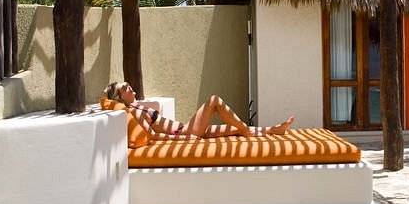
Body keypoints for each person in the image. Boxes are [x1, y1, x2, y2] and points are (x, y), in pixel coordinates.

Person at [102, 82, 294, 139]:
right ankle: (248, 131)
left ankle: (272, 130)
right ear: (119, 97)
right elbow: (152, 136)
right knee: (214, 101)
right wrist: (183, 138)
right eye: (125, 88)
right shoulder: (133, 112)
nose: (130, 87)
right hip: (186, 132)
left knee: (233, 129)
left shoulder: (137, 106)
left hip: (186, 128)